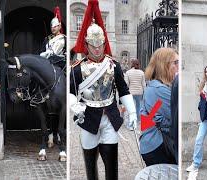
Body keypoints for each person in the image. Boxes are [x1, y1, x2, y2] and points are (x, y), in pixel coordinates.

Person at [69, 0, 137, 179]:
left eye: (100, 44)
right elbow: (71, 92)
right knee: (91, 167)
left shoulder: (113, 65)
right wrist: (73, 105)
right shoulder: (77, 68)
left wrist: (133, 112)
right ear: (87, 44)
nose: (98, 49)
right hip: (89, 117)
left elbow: (123, 91)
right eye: (94, 45)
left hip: (110, 116)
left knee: (111, 166)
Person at [139, 48, 178, 166]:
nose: (178, 66)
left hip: (154, 143)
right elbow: (175, 117)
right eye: (175, 62)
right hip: (158, 145)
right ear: (163, 66)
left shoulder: (158, 86)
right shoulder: (158, 89)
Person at [124, 59, 146, 130]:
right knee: (138, 107)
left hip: (131, 92)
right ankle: (137, 120)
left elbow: (126, 83)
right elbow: (143, 84)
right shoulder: (142, 72)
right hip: (139, 92)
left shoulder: (128, 72)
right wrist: (145, 92)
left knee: (130, 108)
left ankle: (131, 123)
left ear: (132, 64)